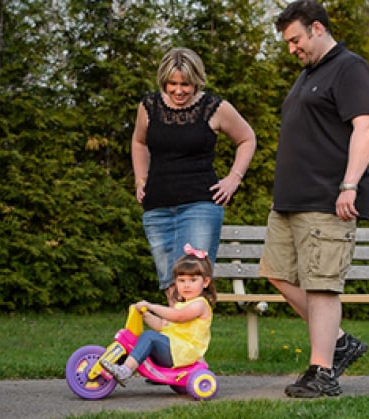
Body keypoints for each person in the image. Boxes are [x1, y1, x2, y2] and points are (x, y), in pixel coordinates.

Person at [259, 0, 369, 398]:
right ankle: (339, 342)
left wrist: (349, 185)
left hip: (328, 198)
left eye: (295, 40)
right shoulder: (308, 75)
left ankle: (322, 371)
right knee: (276, 273)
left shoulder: (350, 68)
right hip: (290, 201)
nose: (292, 48)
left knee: (322, 286)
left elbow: (365, 128)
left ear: (316, 28)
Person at [132, 47, 256, 306]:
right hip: (157, 208)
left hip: (200, 206)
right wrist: (140, 179)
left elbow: (247, 138)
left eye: (185, 84)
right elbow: (139, 142)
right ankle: (180, 345)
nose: (178, 91)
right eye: (172, 84)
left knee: (193, 282)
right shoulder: (148, 107)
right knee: (171, 283)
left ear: (197, 80)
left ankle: (192, 344)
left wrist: (234, 178)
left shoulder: (215, 108)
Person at [100, 244, 216, 385]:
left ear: (205, 282)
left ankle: (125, 370)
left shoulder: (200, 304)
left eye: (192, 280)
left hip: (183, 352)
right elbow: (162, 325)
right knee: (147, 337)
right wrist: (146, 315)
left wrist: (152, 306)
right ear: (175, 282)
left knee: (149, 337)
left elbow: (178, 316)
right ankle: (122, 366)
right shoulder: (181, 304)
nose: (186, 285)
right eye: (181, 280)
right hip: (174, 349)